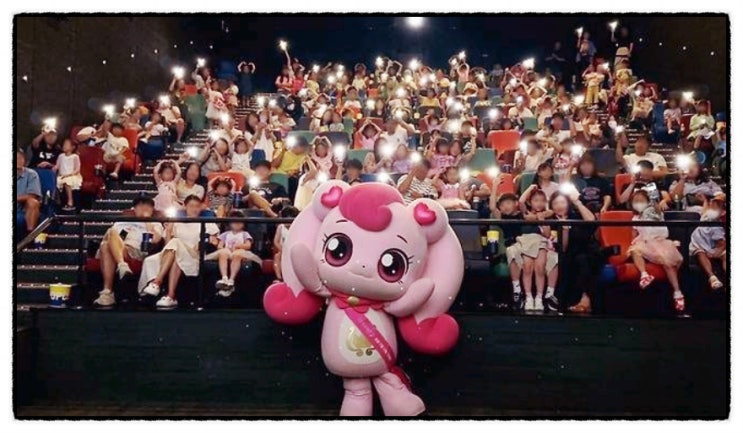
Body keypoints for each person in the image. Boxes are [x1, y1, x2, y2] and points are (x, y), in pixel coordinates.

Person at [139, 195, 220, 309]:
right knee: (156, 258)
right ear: (185, 207)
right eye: (191, 206)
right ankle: (170, 296)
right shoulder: (176, 222)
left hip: (194, 254)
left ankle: (157, 282)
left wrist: (209, 240)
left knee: (176, 242)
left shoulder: (207, 223)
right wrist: (168, 231)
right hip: (175, 253)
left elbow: (215, 241)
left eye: (197, 206)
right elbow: (167, 245)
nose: (194, 209)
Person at [92, 196, 164, 307]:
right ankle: (121, 267)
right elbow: (113, 238)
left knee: (107, 242)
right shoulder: (122, 222)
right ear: (134, 209)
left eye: (148, 206)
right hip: (118, 248)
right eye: (140, 205)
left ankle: (108, 292)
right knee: (108, 240)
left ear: (152, 210)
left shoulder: (155, 223)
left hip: (134, 251)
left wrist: (147, 222)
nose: (144, 208)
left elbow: (155, 240)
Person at [627, 190, 685, 312]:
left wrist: (660, 202)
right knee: (634, 249)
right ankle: (644, 275)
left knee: (668, 263)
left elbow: (658, 207)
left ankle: (677, 293)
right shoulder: (635, 218)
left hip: (660, 242)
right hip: (645, 243)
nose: (638, 203)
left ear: (648, 202)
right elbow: (633, 236)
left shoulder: (655, 212)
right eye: (635, 201)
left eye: (641, 200)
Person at [548, 190, 600, 313]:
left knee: (584, 259)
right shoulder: (551, 221)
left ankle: (585, 299)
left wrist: (577, 202)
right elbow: (563, 248)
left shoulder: (576, 215)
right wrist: (565, 230)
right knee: (570, 261)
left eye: (562, 202)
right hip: (567, 253)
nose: (559, 206)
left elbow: (591, 221)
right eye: (555, 203)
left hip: (587, 249)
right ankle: (570, 300)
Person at [507, 188, 557, 312]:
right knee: (527, 267)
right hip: (525, 241)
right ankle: (528, 297)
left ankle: (539, 298)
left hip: (540, 241)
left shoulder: (546, 215)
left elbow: (547, 234)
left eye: (542, 200)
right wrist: (531, 187)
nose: (539, 203)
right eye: (536, 200)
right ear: (530, 202)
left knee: (540, 268)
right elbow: (521, 201)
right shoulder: (526, 213)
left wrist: (541, 220)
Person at [213, 215, 257, 297]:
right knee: (222, 253)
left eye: (239, 222)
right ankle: (224, 278)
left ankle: (231, 280)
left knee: (237, 254)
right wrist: (225, 249)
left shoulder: (245, 234)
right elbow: (220, 246)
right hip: (228, 253)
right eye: (234, 221)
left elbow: (248, 245)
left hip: (239, 253)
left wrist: (238, 246)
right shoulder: (226, 234)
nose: (237, 223)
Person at [689, 198, 726, 290]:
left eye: (714, 208)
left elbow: (722, 243)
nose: (711, 209)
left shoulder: (717, 227)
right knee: (700, 253)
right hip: (698, 245)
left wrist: (716, 252)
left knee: (725, 255)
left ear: (722, 213)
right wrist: (705, 200)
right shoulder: (705, 217)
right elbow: (704, 209)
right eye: (711, 206)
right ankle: (712, 278)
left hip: (712, 248)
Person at [16, 151, 42, 233]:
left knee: (33, 202)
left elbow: (32, 195)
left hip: (23, 208)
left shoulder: (31, 174)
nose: (19, 161)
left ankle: (30, 235)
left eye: (21, 158)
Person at [54, 139, 82, 211]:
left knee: (67, 182)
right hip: (62, 176)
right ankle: (57, 202)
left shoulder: (75, 156)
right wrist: (53, 169)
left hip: (72, 176)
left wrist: (68, 175)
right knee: (55, 181)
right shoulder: (61, 156)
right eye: (64, 144)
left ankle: (70, 201)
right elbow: (57, 166)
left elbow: (77, 169)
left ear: (73, 147)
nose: (64, 146)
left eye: (66, 144)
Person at [273, 205, 299, 281]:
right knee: (277, 257)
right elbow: (276, 241)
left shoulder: (297, 228)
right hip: (283, 250)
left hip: (294, 251)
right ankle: (279, 277)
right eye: (285, 219)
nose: (288, 223)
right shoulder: (280, 227)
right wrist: (282, 250)